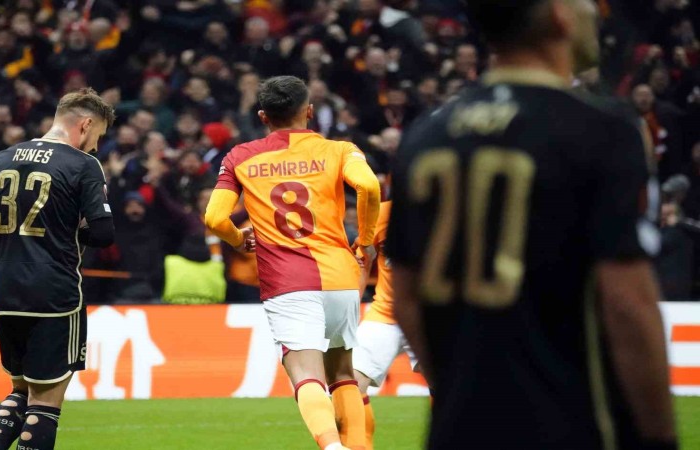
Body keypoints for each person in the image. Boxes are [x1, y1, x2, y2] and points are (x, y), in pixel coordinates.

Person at [388, 1, 676, 449]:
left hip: (459, 428)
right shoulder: (601, 129)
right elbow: (627, 302)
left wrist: (458, 390)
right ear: (559, 14)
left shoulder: (426, 134)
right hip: (567, 425)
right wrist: (660, 436)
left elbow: (406, 296)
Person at [205, 75, 381, 450]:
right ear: (309, 112)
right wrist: (365, 241)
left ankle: (332, 447)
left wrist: (237, 239)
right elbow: (369, 186)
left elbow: (214, 219)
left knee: (304, 373)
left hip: (288, 282)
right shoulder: (340, 150)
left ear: (263, 116)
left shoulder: (240, 156)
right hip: (341, 277)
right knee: (343, 373)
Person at [0, 87, 116, 450]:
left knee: (19, 390)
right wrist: (72, 226)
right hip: (54, 292)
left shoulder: (1, 158)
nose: (96, 146)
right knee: (45, 401)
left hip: (4, 290)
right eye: (98, 136)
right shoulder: (82, 164)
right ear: (86, 125)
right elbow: (103, 234)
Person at [352, 199, 419, 450]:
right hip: (386, 313)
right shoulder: (380, 214)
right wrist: (350, 309)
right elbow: (363, 261)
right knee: (349, 384)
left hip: (433, 319)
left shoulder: (451, 208)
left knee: (452, 389)